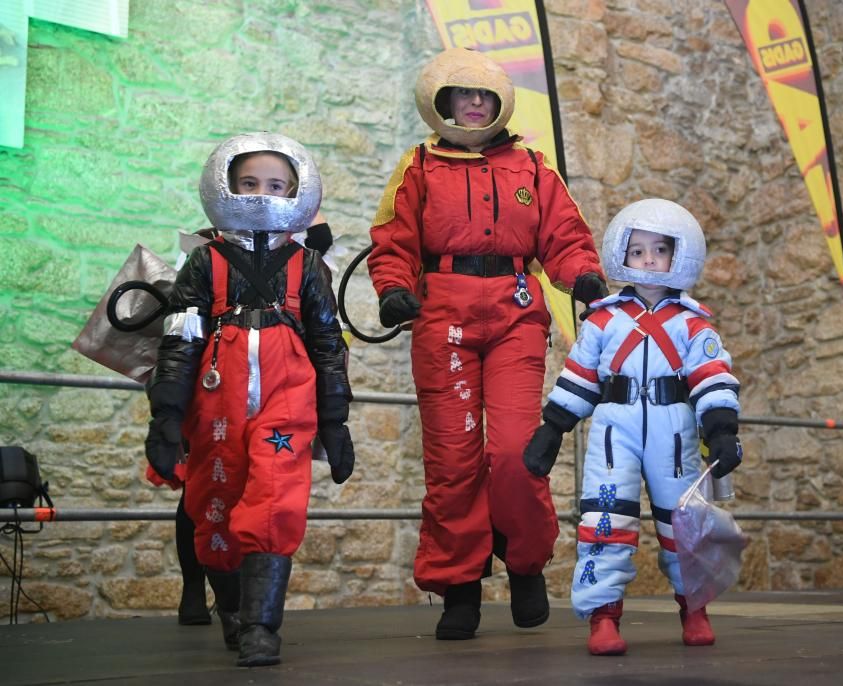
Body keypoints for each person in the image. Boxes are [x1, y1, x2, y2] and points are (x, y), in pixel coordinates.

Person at [367, 47, 607, 640]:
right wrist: (394, 288)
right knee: (453, 460)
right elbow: (393, 241)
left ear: (498, 104)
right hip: (442, 312)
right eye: (463, 95)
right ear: (444, 103)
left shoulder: (532, 164)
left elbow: (563, 235)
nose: (474, 105)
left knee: (517, 450)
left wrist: (582, 276)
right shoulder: (418, 166)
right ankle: (460, 586)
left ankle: (524, 562)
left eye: (484, 96)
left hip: (515, 311)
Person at [143, 132, 354, 667]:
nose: (263, 195)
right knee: (214, 503)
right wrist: (165, 415)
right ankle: (232, 612)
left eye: (277, 185)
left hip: (287, 400)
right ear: (226, 186)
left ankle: (262, 626)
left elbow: (329, 344)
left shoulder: (306, 267)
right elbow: (180, 340)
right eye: (250, 183)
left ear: (296, 193)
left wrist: (334, 419)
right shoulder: (203, 263)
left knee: (275, 501)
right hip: (216, 403)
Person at [522, 198, 743, 656]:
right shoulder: (603, 319)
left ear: (679, 255)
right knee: (605, 519)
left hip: (675, 430)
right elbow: (580, 375)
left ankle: (694, 607)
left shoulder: (692, 324)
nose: (646, 260)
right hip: (613, 430)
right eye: (637, 250)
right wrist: (552, 428)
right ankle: (603, 615)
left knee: (684, 522)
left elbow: (712, 376)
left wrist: (720, 429)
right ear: (621, 253)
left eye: (657, 250)